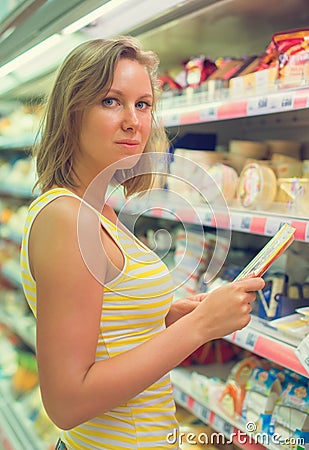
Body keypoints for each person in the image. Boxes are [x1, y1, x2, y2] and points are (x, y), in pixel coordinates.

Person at [20, 36, 265, 450]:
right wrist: (200, 328)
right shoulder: (67, 218)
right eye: (111, 101)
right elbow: (66, 401)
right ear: (71, 113)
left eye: (143, 104)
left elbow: (106, 325)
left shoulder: (97, 208)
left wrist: (169, 315)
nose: (134, 120)